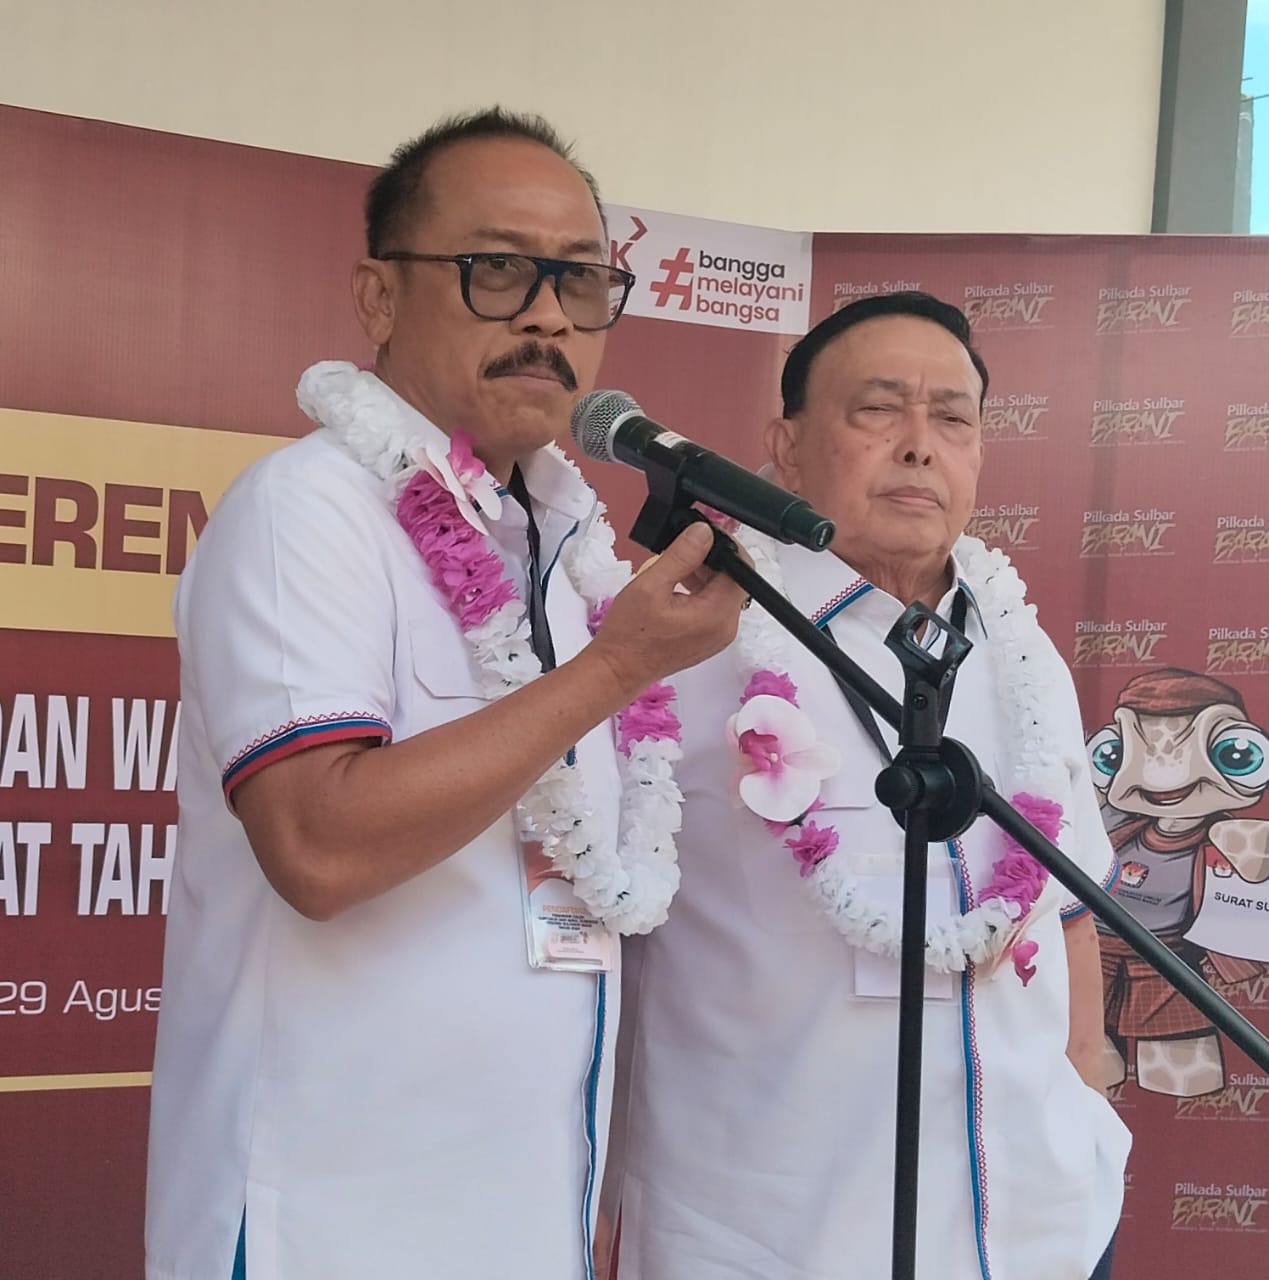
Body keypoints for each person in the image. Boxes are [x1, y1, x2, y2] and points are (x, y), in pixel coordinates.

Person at [144, 108, 746, 1280]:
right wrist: (615, 669)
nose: (547, 316)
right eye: (498, 269)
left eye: (580, 280)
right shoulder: (306, 510)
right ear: (378, 297)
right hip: (325, 1224)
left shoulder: (568, 553)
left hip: (523, 1219)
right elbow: (318, 846)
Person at [608, 292, 1131, 1280]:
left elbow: (1068, 913)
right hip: (775, 1239)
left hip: (1037, 1231)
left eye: (952, 418)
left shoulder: (1024, 659)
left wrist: (1085, 1101)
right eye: (879, 409)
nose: (920, 445)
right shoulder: (684, 644)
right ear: (786, 445)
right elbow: (605, 937)